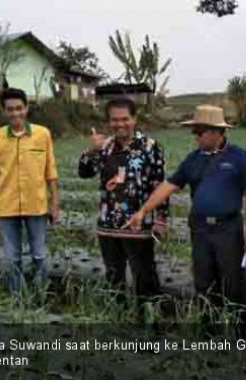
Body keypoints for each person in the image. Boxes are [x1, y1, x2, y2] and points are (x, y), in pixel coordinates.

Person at [125, 105, 246, 336]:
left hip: (228, 228)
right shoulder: (193, 159)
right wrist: (143, 211)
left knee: (234, 283)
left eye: (200, 132)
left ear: (218, 132)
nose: (195, 136)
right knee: (204, 282)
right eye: (194, 131)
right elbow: (168, 186)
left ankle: (240, 334)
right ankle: (209, 332)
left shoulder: (239, 157)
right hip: (200, 229)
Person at [78, 97, 168, 300]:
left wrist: (161, 219)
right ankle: (119, 319)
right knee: (113, 277)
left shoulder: (150, 147)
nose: (120, 124)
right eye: (114, 120)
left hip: (139, 225)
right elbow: (84, 172)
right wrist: (90, 150)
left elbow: (159, 185)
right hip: (108, 225)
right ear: (109, 122)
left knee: (145, 277)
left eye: (124, 119)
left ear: (134, 119)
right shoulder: (104, 147)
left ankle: (148, 319)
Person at [0, 88, 59, 293]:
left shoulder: (42, 134)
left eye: (19, 108)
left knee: (39, 254)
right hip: (6, 206)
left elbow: (50, 171)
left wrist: (54, 203)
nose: (15, 113)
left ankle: (41, 293)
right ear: (4, 111)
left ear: (26, 108)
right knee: (11, 256)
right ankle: (17, 298)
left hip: (37, 204)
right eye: (10, 109)